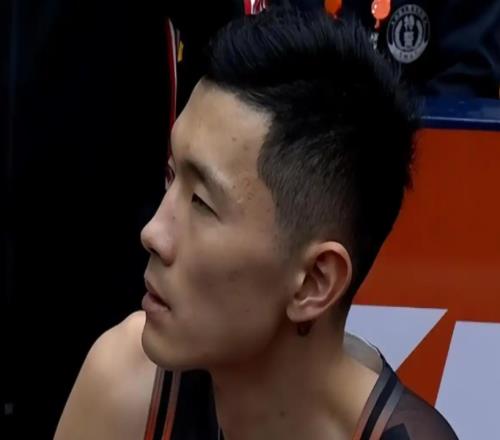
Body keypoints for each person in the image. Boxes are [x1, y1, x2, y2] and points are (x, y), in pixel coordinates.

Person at [54, 7, 458, 440]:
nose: (153, 233)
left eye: (202, 204)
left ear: (314, 281)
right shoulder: (127, 387)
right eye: (170, 176)